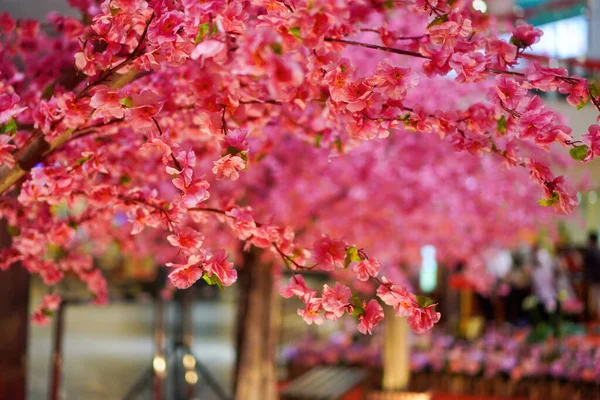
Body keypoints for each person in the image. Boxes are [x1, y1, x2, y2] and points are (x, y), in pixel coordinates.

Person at [584, 232, 600, 321]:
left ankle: (595, 324)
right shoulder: (598, 251)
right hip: (597, 280)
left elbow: (584, 266)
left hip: (593, 281)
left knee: (593, 303)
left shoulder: (589, 251)